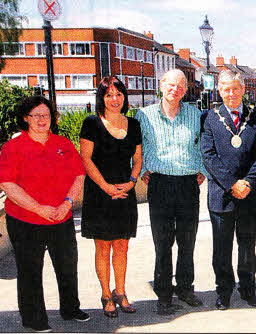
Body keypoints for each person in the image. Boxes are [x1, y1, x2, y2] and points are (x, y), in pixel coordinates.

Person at [0, 96, 89, 332]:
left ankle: (71, 308)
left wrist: (68, 203)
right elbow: (8, 184)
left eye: (46, 115)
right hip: (25, 220)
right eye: (36, 115)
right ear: (25, 118)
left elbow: (79, 175)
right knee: (30, 271)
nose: (42, 120)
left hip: (62, 217)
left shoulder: (63, 144)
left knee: (67, 266)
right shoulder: (12, 147)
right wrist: (39, 208)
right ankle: (34, 319)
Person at [135, 69, 207, 315]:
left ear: (186, 90)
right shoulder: (144, 115)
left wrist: (202, 169)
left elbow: (205, 144)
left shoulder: (196, 115)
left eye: (180, 85)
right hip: (160, 184)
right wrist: (143, 168)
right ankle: (164, 294)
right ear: (161, 86)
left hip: (188, 184)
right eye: (170, 84)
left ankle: (185, 288)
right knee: (163, 242)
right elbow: (137, 147)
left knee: (187, 241)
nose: (175, 89)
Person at [201, 70, 256, 311]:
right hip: (221, 194)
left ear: (243, 90)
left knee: (247, 246)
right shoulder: (210, 118)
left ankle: (248, 289)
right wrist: (232, 183)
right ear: (220, 90)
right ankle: (224, 291)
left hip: (249, 194)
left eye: (235, 89)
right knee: (221, 247)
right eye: (226, 89)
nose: (231, 93)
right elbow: (208, 155)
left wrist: (248, 182)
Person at [79, 77, 142, 317]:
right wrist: (106, 187)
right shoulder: (92, 123)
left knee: (122, 247)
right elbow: (86, 159)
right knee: (103, 247)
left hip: (125, 192)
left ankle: (121, 291)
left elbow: (137, 159)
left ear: (124, 97)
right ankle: (106, 294)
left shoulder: (134, 125)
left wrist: (131, 182)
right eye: (109, 95)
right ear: (101, 98)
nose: (114, 99)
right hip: (99, 194)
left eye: (118, 94)